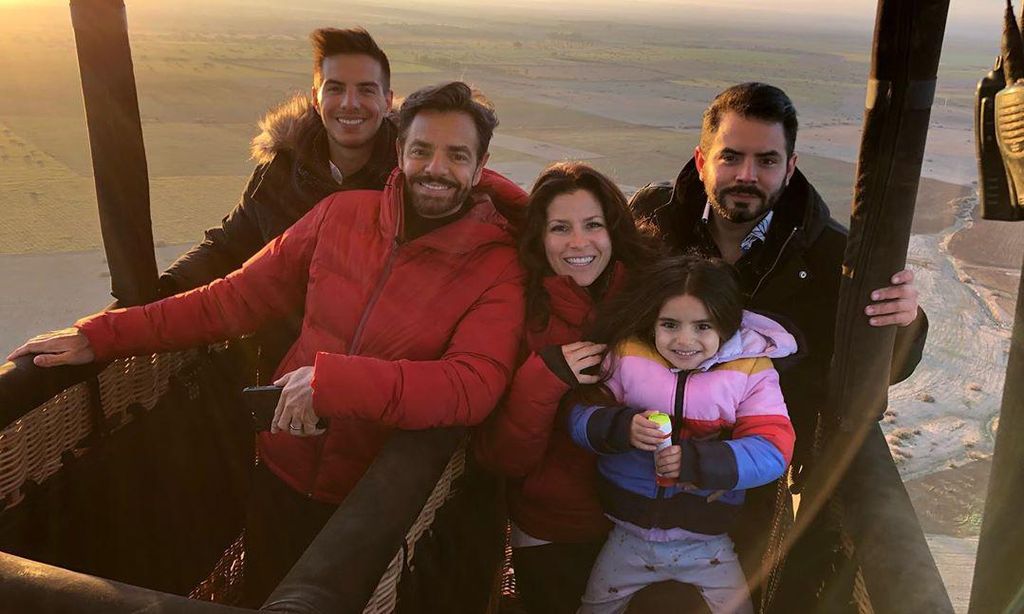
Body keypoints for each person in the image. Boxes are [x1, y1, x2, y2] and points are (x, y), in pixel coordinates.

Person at [8, 81, 527, 606]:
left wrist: (333, 383)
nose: (436, 168)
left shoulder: (496, 266)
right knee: (262, 588)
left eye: (457, 155)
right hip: (282, 470)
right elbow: (230, 300)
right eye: (422, 150)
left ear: (480, 165)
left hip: (380, 508)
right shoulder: (340, 215)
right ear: (399, 152)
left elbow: (471, 383)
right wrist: (101, 335)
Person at [628, 82, 928, 607]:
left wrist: (904, 321)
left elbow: (882, 363)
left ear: (790, 168)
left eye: (766, 160)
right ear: (701, 161)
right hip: (642, 460)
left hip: (753, 483)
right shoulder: (654, 227)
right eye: (731, 157)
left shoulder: (833, 257)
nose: (747, 174)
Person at [473, 162, 663, 613]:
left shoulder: (655, 300)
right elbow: (503, 458)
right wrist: (544, 376)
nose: (579, 242)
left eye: (593, 225)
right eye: (560, 228)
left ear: (614, 230)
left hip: (645, 523)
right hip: (552, 529)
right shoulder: (519, 309)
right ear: (539, 238)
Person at [159, 27, 399, 377]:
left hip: (376, 375)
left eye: (366, 90)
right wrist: (164, 289)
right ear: (316, 99)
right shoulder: (280, 175)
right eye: (335, 88)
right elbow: (227, 247)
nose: (350, 103)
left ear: (387, 101)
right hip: (277, 369)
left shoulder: (414, 182)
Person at [569, 255, 797, 614]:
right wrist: (622, 426)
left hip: (707, 543)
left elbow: (773, 449)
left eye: (703, 326)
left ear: (726, 324)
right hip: (627, 535)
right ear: (653, 321)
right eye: (670, 324)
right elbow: (579, 417)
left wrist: (699, 463)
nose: (684, 340)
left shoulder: (749, 369)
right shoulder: (628, 356)